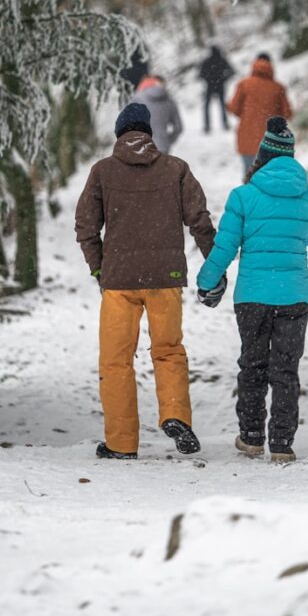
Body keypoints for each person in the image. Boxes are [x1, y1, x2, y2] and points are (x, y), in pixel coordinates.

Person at [75, 102, 215, 460]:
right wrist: (214, 265)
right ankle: (174, 414)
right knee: (168, 351)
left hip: (119, 281)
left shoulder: (103, 171)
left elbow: (86, 226)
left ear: (119, 134)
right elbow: (199, 218)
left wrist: (97, 267)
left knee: (116, 360)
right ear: (149, 134)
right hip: (164, 279)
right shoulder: (176, 169)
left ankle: (121, 443)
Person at [196, 117, 308, 463]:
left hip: (252, 296)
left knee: (252, 364)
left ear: (261, 156)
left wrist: (207, 281)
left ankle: (251, 437)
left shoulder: (243, 196)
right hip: (295, 294)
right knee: (285, 369)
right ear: (291, 156)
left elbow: (225, 246)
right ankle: (282, 443)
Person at [226, 53, 293, 176]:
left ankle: (248, 195)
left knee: (249, 176)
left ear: (254, 64)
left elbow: (234, 109)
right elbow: (287, 114)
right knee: (270, 176)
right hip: (271, 141)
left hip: (247, 136)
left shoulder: (244, 85)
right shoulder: (278, 88)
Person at [134, 74, 183, 153]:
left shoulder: (136, 99)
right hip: (163, 147)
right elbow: (178, 127)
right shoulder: (169, 101)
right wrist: (167, 140)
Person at [198, 45, 234, 132]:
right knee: (222, 105)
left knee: (207, 106)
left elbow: (201, 74)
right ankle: (225, 124)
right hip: (220, 85)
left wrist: (207, 79)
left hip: (210, 86)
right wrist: (224, 79)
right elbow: (232, 72)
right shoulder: (222, 60)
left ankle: (207, 126)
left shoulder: (207, 61)